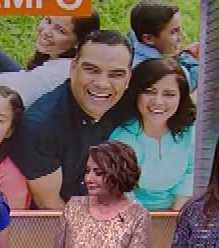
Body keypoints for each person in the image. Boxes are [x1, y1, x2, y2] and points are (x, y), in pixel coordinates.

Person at [8, 30, 134, 210]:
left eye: (116, 74)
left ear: (128, 78)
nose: (102, 84)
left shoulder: (132, 103)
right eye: (91, 70)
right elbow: (50, 204)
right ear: (73, 68)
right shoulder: (41, 126)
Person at [0, 13, 102, 118]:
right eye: (48, 20)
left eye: (60, 30)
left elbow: (14, 90)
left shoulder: (60, 73)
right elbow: (25, 80)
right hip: (19, 97)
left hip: (5, 124)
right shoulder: (63, 62)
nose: (46, 31)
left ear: (78, 42)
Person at [109, 57, 197, 211]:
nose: (158, 102)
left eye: (169, 94)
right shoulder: (121, 138)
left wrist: (175, 215)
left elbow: (190, 172)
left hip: (179, 210)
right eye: (149, 92)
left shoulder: (189, 131)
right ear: (136, 94)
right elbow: (123, 193)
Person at [128, 0, 199, 89]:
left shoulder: (131, 48)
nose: (182, 37)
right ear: (149, 39)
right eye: (174, 31)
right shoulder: (164, 74)